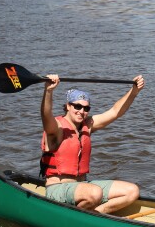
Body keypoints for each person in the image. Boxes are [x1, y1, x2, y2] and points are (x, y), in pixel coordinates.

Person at [40, 74, 144, 214]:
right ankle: (79, 217)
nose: (81, 111)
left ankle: (96, 214)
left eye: (86, 108)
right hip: (58, 188)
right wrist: (48, 91)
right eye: (77, 106)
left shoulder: (87, 126)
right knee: (94, 193)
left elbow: (115, 112)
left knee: (132, 191)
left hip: (81, 186)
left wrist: (134, 92)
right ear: (67, 106)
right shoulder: (56, 127)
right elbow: (46, 115)